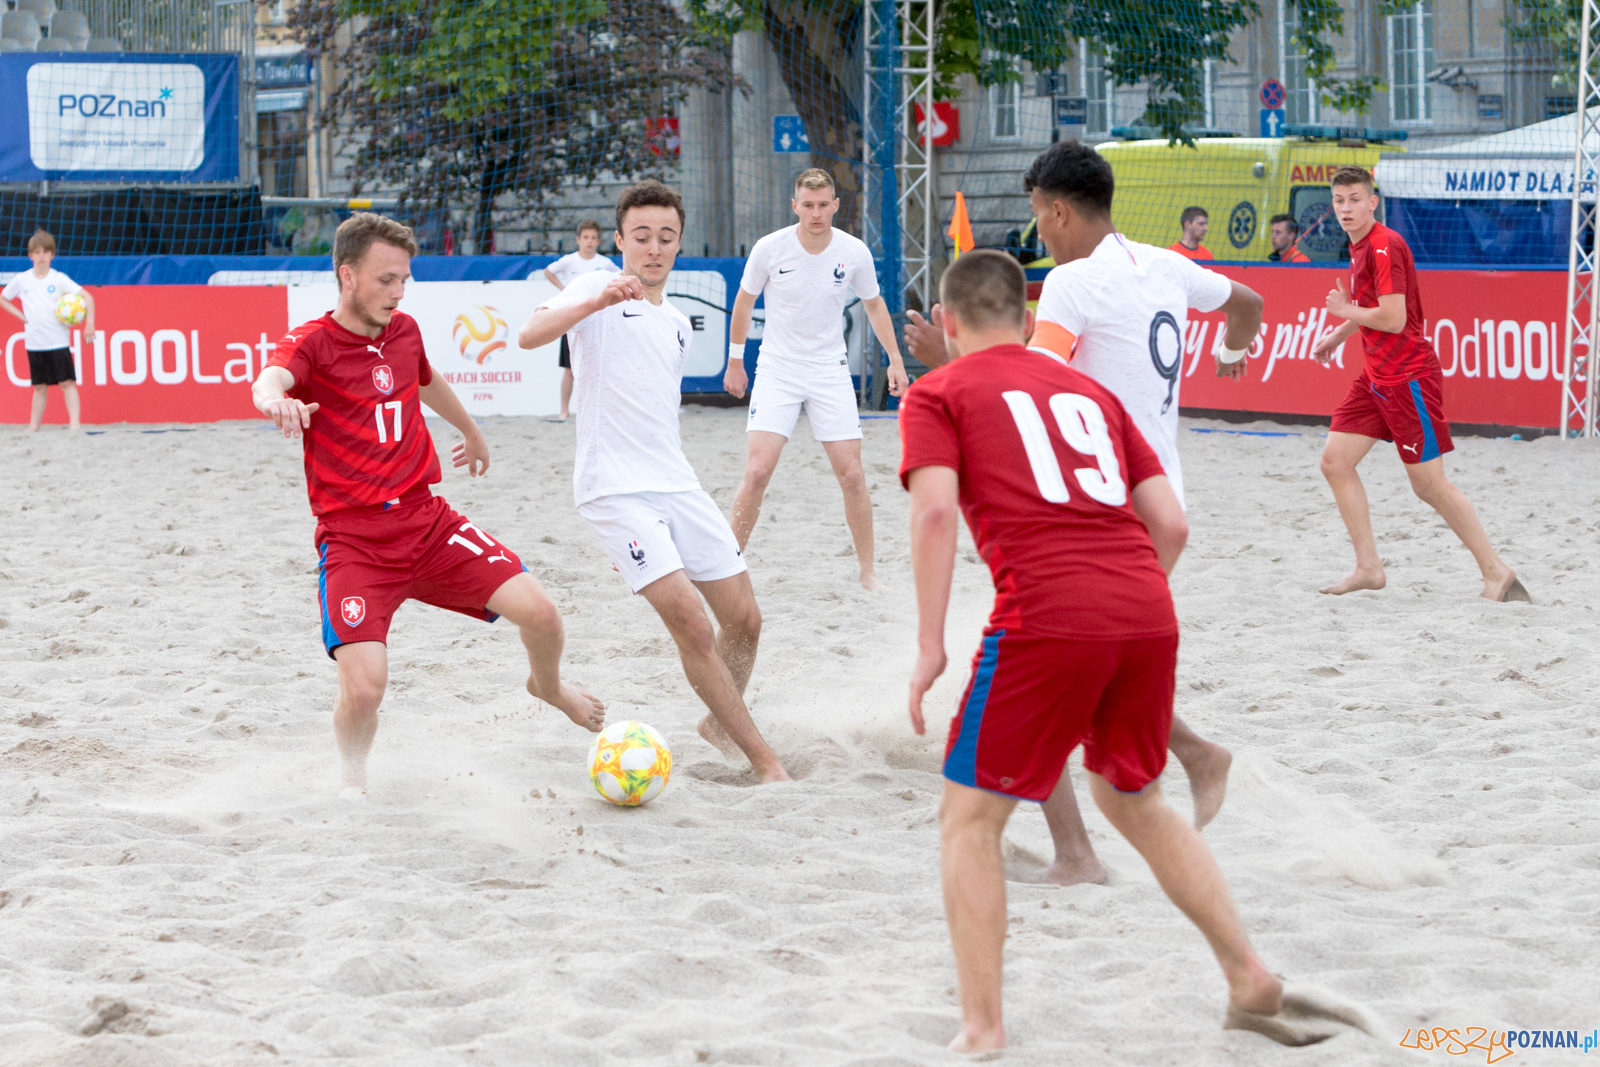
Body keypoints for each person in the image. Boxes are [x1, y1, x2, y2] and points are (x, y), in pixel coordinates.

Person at [901, 249, 1317, 1054]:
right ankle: (1248, 971)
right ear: (1027, 322)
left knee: (969, 818)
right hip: (1146, 606)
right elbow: (1173, 525)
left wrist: (927, 645)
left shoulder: (939, 390)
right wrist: (1124, 597)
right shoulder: (1092, 390)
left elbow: (934, 516)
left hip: (1048, 614)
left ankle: (983, 1027)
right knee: (1134, 799)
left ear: (948, 325)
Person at [905, 141, 1260, 884]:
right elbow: (1249, 305)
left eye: (1040, 218)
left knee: (1047, 667)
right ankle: (1194, 753)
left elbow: (1028, 384)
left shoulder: (1070, 283)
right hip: (1161, 496)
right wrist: (1234, 350)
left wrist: (949, 359)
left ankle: (1076, 852)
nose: (1041, 233)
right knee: (1089, 664)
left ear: (1060, 210)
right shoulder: (1166, 264)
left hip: (1092, 506)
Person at [251, 213, 606, 795]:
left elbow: (425, 378)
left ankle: (549, 686)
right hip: (356, 542)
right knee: (364, 689)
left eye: (404, 280)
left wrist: (471, 429)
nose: (398, 292)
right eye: (386, 280)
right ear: (347, 276)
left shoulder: (405, 330)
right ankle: (352, 781)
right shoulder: (313, 340)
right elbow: (269, 379)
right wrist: (275, 401)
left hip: (427, 523)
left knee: (542, 614)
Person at [516, 180, 790, 783]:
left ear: (679, 243)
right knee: (692, 622)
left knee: (745, 621)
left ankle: (719, 722)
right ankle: (765, 761)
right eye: (641, 236)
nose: (654, 247)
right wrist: (592, 304)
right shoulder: (594, 286)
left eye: (666, 237)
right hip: (613, 490)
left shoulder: (676, 323)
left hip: (677, 484)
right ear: (619, 241)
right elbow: (529, 335)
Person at [1312, 166, 1529, 602]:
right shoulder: (1360, 246)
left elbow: (1392, 319)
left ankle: (1497, 573)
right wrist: (1337, 336)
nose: (1346, 208)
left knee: (1429, 485)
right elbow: (1375, 307)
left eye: (1355, 199)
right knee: (1335, 462)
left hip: (1408, 377)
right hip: (1376, 376)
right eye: (1339, 201)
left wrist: (1343, 312)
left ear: (1373, 202)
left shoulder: (1383, 246)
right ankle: (1369, 568)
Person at [723, 168, 909, 591]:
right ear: (795, 206)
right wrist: (736, 362)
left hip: (829, 370)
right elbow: (743, 302)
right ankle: (727, 568)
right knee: (756, 473)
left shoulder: (853, 251)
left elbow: (876, 306)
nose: (816, 213)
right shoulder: (770, 248)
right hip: (777, 368)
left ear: (836, 205)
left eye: (824, 204)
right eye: (808, 205)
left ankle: (867, 573)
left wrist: (895, 360)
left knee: (853, 475)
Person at [2, 229, 93, 433]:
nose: (41, 256)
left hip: (58, 342)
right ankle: (33, 428)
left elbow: (88, 297)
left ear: (52, 254)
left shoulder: (58, 279)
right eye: (37, 251)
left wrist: (90, 324)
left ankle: (75, 426)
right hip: (35, 343)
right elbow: (3, 298)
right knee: (39, 387)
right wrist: (19, 315)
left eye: (45, 252)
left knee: (67, 383)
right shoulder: (22, 279)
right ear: (30, 255)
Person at [540, 220, 620, 422]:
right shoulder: (569, 261)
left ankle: (598, 411)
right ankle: (564, 411)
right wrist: (563, 290)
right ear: (578, 240)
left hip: (597, 319)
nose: (589, 242)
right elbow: (548, 271)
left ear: (599, 241)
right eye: (585, 237)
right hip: (572, 319)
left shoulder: (605, 264)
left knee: (599, 366)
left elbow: (620, 277)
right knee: (569, 369)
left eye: (593, 238)